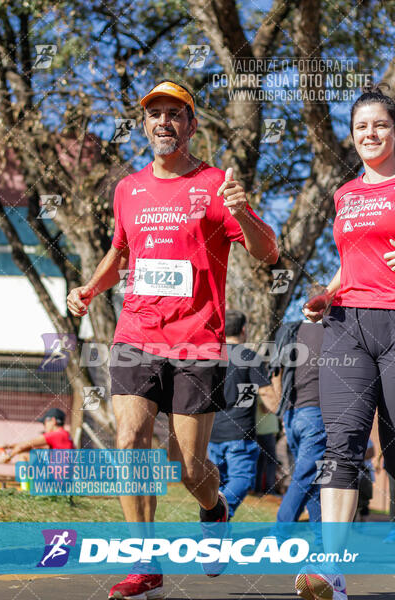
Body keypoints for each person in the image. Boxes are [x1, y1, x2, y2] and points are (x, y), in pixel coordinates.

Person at [67, 80, 279, 599]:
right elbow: (121, 254)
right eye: (154, 113)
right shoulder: (127, 189)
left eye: (174, 114)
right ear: (145, 124)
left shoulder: (213, 185)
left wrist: (245, 209)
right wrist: (92, 288)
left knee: (190, 467)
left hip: (196, 342)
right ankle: (145, 561)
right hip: (136, 333)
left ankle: (215, 508)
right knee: (130, 442)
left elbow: (267, 252)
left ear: (191, 125)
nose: (163, 121)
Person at [298, 84, 395, 600]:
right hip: (347, 326)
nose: (370, 133)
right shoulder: (346, 194)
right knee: (341, 447)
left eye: (380, 124)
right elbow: (352, 261)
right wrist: (325, 292)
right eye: (361, 127)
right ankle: (330, 575)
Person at [207, 310, 271, 519]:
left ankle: (217, 525)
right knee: (242, 477)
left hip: (211, 431)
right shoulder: (249, 357)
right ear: (244, 330)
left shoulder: (211, 355)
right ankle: (221, 512)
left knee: (216, 481)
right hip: (239, 432)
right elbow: (265, 393)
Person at [268, 320, 327, 524]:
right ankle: (279, 535)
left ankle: (321, 542)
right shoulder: (333, 331)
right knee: (305, 476)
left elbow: (276, 373)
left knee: (314, 478)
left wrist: (282, 411)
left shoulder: (290, 330)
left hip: (293, 416)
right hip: (316, 416)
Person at [2, 408, 74, 462]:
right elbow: (31, 446)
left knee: (23, 456)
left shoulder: (56, 434)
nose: (44, 426)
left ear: (53, 421)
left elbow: (23, 446)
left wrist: (9, 456)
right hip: (64, 474)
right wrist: (9, 446)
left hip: (57, 475)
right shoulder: (65, 435)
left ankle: (26, 483)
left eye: (44, 423)